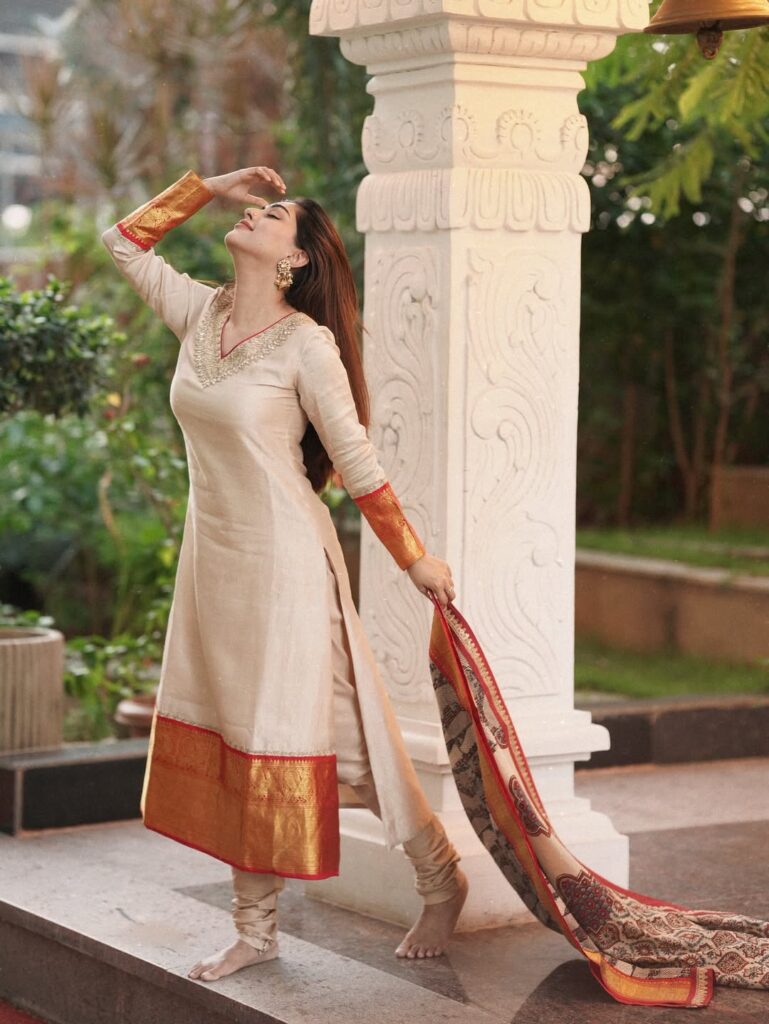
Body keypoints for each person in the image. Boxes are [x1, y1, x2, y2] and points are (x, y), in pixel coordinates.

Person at [101, 166, 468, 982]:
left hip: (286, 566)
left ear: (296, 259)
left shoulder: (307, 344)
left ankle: (440, 878)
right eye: (257, 208)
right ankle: (255, 932)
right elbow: (122, 243)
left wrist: (413, 558)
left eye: (272, 215)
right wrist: (211, 186)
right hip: (214, 564)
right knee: (242, 736)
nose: (255, 215)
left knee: (336, 744)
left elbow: (355, 461)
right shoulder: (202, 314)